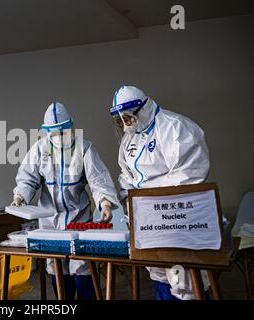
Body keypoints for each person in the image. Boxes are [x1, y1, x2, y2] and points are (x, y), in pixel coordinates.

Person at [110, 85, 211, 300]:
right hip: (147, 221)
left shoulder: (176, 128)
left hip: (177, 221)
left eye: (128, 118)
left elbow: (190, 177)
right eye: (121, 121)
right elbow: (126, 175)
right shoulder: (131, 139)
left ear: (143, 108)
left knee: (183, 281)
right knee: (158, 273)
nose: (126, 126)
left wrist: (142, 194)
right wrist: (129, 197)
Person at [12, 102, 119, 300]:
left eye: (63, 132)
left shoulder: (84, 148)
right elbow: (27, 177)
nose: (59, 138)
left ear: (71, 127)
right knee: (56, 267)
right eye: (54, 134)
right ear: (46, 133)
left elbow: (98, 179)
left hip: (79, 219)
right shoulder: (39, 150)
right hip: (50, 222)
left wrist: (104, 203)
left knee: (82, 267)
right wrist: (20, 196)